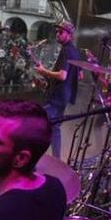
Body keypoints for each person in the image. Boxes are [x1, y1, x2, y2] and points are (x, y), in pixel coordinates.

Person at [34, 20, 80, 157]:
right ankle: (56, 160)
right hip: (64, 97)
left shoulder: (66, 51)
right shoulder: (75, 51)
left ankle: (33, 162)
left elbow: (62, 76)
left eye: (61, 32)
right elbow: (79, 75)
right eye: (57, 32)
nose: (57, 34)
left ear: (69, 35)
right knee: (55, 129)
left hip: (56, 98)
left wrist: (43, 71)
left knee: (38, 127)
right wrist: (46, 81)